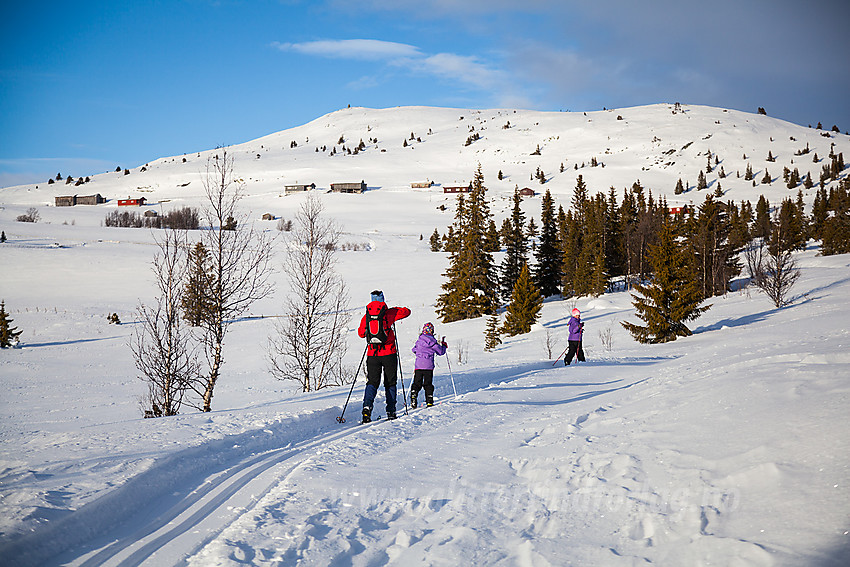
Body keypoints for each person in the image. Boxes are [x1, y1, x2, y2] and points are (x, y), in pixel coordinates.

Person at [358, 290, 410, 422]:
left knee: (372, 382)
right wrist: (395, 309)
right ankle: (391, 411)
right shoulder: (389, 313)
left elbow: (361, 333)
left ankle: (367, 407)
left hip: (372, 354)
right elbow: (407, 312)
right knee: (390, 383)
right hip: (389, 354)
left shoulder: (367, 316)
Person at [410, 322, 447, 408]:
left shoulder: (419, 341)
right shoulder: (433, 342)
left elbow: (413, 350)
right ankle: (429, 401)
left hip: (418, 366)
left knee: (417, 382)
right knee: (428, 383)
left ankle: (413, 394)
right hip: (428, 366)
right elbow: (441, 352)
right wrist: (444, 346)